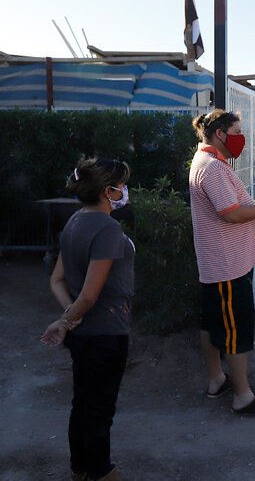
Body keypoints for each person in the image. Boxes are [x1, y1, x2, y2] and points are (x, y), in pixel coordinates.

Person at [42, 156, 134, 481]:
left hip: (85, 336)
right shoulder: (107, 228)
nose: (126, 191)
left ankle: (79, 470)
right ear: (107, 190)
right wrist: (69, 319)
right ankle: (101, 472)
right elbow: (91, 295)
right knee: (99, 411)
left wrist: (70, 318)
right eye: (122, 186)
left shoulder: (75, 221)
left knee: (82, 405)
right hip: (106, 334)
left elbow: (57, 280)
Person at [189, 109, 255, 414]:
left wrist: (253, 205)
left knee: (212, 324)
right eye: (238, 131)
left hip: (217, 262)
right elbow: (230, 214)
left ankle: (217, 379)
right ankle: (243, 396)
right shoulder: (213, 168)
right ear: (221, 134)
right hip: (227, 265)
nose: (242, 137)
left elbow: (230, 205)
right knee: (235, 330)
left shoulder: (206, 161)